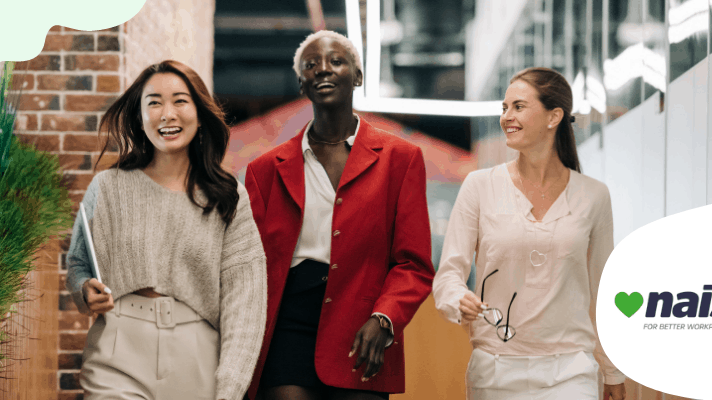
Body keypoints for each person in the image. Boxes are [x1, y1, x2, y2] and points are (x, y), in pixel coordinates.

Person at [243, 30, 435, 400]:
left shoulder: (400, 159)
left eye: (336, 61)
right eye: (311, 65)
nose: (322, 70)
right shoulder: (264, 169)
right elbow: (250, 263)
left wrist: (386, 319)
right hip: (287, 324)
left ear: (357, 77)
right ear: (302, 83)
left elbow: (414, 263)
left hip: (365, 325)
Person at [65, 60, 267, 400]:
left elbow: (245, 303)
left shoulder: (228, 197)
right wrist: (85, 290)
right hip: (118, 349)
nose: (166, 113)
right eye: (154, 102)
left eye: (180, 101)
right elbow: (78, 264)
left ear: (199, 113)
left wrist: (230, 386)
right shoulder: (108, 187)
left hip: (198, 359)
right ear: (140, 117)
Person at [432, 67, 626, 400]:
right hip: (494, 370)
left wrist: (611, 370)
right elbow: (448, 275)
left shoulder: (594, 195)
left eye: (518, 107)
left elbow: (602, 291)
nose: (507, 116)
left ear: (554, 116)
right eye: (504, 108)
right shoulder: (479, 186)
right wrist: (456, 299)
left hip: (570, 371)